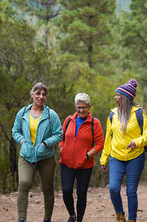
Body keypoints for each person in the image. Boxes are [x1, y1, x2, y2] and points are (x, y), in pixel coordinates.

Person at [100, 79, 147, 222]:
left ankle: (132, 219)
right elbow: (108, 139)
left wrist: (137, 142)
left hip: (135, 157)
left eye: (118, 95)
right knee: (113, 189)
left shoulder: (140, 113)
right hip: (116, 157)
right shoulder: (112, 115)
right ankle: (119, 214)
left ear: (125, 97)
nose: (115, 98)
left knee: (131, 192)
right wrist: (104, 158)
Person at [12, 82, 63, 222]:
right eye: (38, 93)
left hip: (46, 157)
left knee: (47, 188)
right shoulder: (22, 113)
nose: (41, 97)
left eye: (44, 94)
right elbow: (15, 131)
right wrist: (22, 141)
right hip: (26, 156)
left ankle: (47, 218)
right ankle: (21, 218)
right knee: (23, 183)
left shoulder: (51, 115)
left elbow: (59, 134)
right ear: (32, 94)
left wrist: (46, 143)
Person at [59, 93, 104, 222]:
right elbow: (60, 138)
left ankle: (79, 219)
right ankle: (72, 215)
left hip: (85, 165)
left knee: (81, 193)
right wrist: (61, 148)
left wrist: (87, 155)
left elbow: (100, 144)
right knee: (67, 190)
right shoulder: (68, 120)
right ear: (75, 107)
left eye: (84, 107)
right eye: (78, 107)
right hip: (66, 163)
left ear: (89, 107)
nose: (81, 110)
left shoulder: (94, 123)